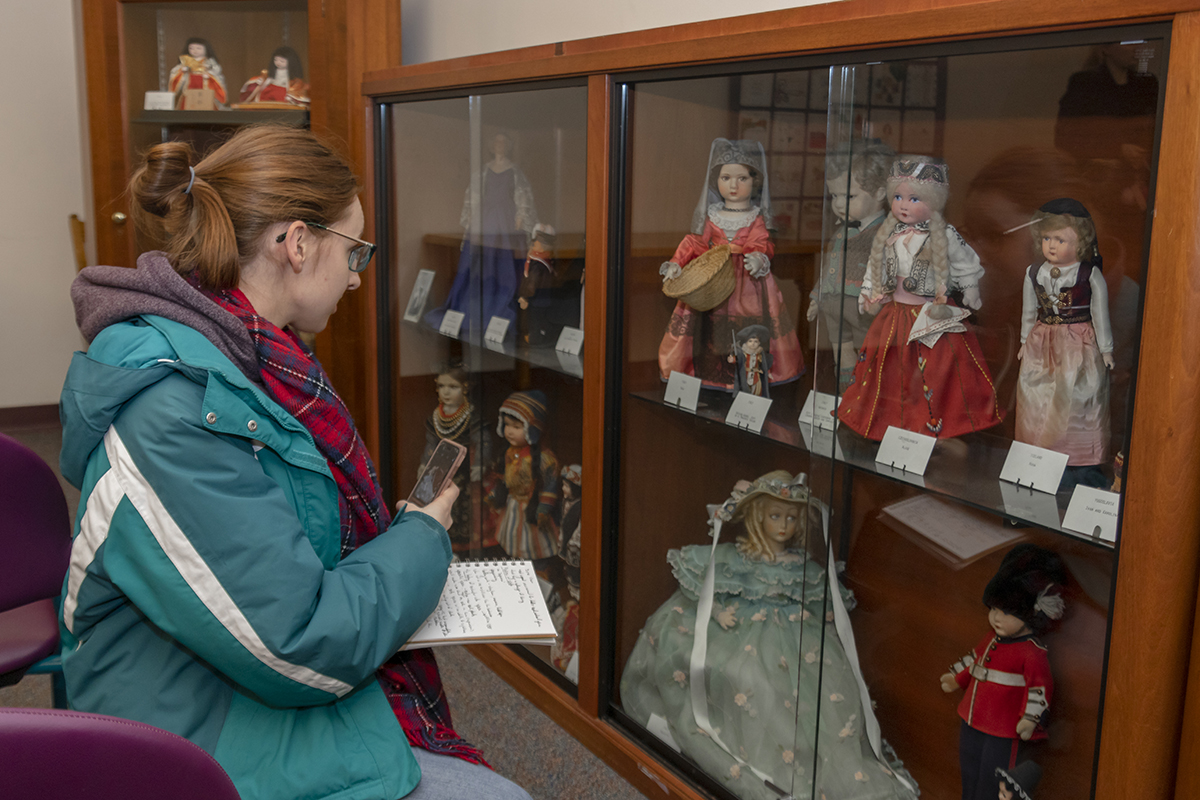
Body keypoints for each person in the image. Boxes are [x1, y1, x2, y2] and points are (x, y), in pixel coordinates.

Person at [58, 124, 529, 800]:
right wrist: (421, 538)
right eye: (355, 251)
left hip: (220, 677)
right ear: (299, 243)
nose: (358, 278)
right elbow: (299, 646)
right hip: (181, 729)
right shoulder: (172, 408)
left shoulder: (245, 356)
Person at [620, 471, 918, 800]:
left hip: (792, 639)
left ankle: (791, 761)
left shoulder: (800, 566)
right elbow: (706, 587)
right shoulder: (738, 557)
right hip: (739, 634)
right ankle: (746, 751)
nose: (783, 526)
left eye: (791, 518)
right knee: (740, 677)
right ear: (758, 516)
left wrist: (826, 624)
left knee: (809, 695)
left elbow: (824, 604)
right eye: (775, 516)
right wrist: (718, 612)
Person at [837, 156, 1003, 440]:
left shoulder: (945, 235)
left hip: (931, 314)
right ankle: (891, 421)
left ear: (935, 202)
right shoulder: (889, 234)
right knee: (889, 370)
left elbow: (966, 263)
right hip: (896, 313)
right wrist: (868, 291)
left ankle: (933, 423)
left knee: (935, 372)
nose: (903, 204)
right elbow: (873, 268)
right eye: (898, 197)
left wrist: (970, 288)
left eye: (914, 199)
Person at [657, 138, 804, 392]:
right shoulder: (712, 215)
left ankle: (748, 378)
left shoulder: (755, 217)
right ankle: (713, 375)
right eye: (725, 178)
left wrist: (758, 257)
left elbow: (763, 242)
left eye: (741, 179)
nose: (733, 185)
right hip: (713, 281)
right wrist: (676, 263)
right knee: (709, 329)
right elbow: (695, 243)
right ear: (716, 181)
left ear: (754, 181)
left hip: (747, 281)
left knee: (747, 325)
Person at [940, 545, 1065, 800]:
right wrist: (957, 678)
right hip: (972, 718)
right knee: (970, 773)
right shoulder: (991, 638)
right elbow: (976, 661)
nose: (996, 618)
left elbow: (1039, 689)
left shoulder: (1031, 652)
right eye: (994, 609)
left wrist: (1029, 719)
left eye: (1006, 612)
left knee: (991, 782)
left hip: (1004, 730)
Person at [1016, 199, 1113, 489]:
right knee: (1035, 397)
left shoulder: (1088, 274)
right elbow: (1028, 310)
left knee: (1075, 400)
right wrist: (1024, 341)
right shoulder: (1034, 272)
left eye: (1060, 239)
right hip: (1041, 342)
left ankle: (1077, 464)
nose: (1052, 246)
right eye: (1047, 238)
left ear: (1080, 242)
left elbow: (1100, 313)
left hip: (1077, 344)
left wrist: (1106, 349)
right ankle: (1037, 458)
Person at [425, 132, 537, 337]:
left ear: (508, 146)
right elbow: (473, 195)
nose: (499, 145)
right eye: (496, 142)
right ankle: (472, 309)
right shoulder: (484, 172)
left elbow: (523, 195)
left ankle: (501, 307)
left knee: (504, 265)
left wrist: (520, 215)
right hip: (485, 221)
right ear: (491, 146)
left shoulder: (514, 172)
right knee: (478, 264)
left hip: (506, 222)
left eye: (503, 142)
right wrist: (472, 219)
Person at [807, 140, 894, 390]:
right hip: (835, 307)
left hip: (863, 310)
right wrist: (817, 296)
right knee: (841, 355)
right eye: (834, 195)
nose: (838, 204)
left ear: (879, 192)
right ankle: (846, 394)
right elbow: (830, 267)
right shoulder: (841, 233)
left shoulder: (885, 234)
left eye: (849, 196)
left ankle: (865, 396)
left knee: (868, 353)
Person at [486, 390, 559, 563]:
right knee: (512, 543)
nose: (509, 431)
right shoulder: (508, 453)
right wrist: (495, 495)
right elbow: (503, 479)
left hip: (532, 510)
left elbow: (551, 485)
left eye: (517, 427)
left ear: (532, 429)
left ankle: (539, 573)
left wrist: (543, 509)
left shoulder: (545, 459)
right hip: (512, 506)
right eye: (507, 425)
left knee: (533, 546)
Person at [421, 363, 487, 552]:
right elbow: (430, 443)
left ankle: (465, 550)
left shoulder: (472, 417)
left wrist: (479, 464)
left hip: (465, 475)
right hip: (441, 471)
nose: (446, 392)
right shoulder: (436, 417)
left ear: (465, 388)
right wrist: (424, 463)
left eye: (453, 387)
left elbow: (483, 441)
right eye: (441, 387)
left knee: (464, 512)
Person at [238, 45, 311, 107]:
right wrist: (259, 82)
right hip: (269, 92)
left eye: (282, 61)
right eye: (276, 60)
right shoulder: (267, 74)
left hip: (284, 94)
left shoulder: (296, 81)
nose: (278, 63)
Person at [168, 37, 226, 109]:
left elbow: (217, 73)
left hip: (205, 88)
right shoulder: (185, 62)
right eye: (191, 48)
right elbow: (175, 75)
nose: (195, 51)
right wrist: (182, 71)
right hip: (189, 88)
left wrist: (209, 75)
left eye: (199, 48)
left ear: (206, 49)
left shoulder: (210, 62)